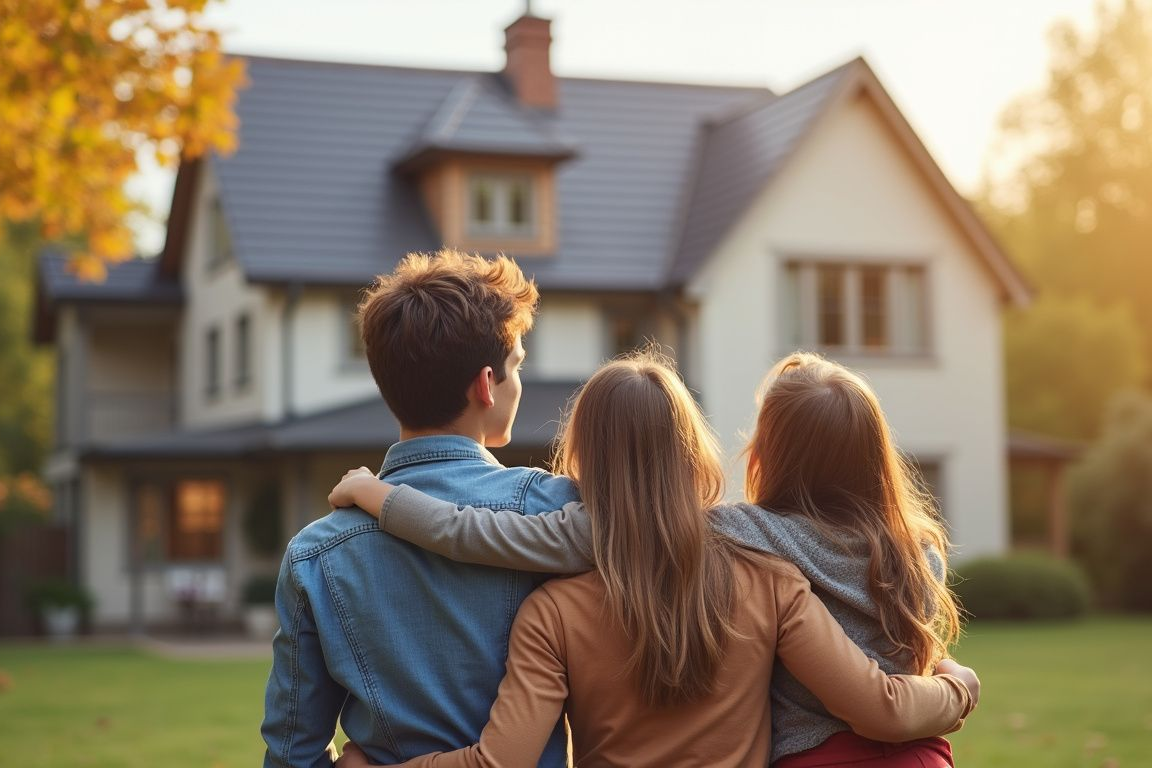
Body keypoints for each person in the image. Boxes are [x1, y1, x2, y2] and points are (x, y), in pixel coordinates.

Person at [329, 351, 979, 768]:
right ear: (694, 453)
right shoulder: (773, 581)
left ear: (582, 464)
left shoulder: (552, 612)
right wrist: (955, 683)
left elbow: (501, 761)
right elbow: (880, 702)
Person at [260, 249, 580, 768]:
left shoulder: (314, 555)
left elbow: (292, 751)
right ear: (485, 384)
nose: (517, 382)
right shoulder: (554, 510)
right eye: (516, 365)